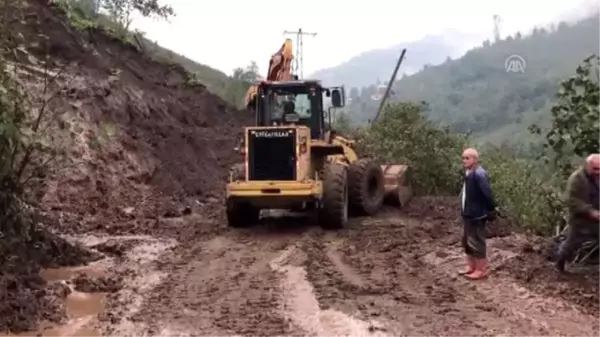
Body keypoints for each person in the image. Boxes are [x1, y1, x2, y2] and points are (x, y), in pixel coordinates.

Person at [555, 154, 600, 273]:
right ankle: (560, 262)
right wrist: (590, 211)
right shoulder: (577, 179)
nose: (598, 172)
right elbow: (571, 200)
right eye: (595, 169)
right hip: (581, 218)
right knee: (572, 243)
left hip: (598, 216)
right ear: (588, 166)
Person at [458, 148, 497, 280]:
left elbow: (487, 194)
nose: (464, 161)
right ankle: (471, 266)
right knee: (467, 241)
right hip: (468, 214)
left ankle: (481, 270)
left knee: (477, 242)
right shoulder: (469, 173)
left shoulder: (479, 175)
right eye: (463, 158)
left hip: (477, 215)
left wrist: (490, 210)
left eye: (467, 158)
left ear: (475, 159)